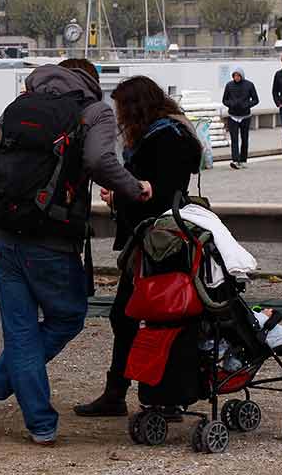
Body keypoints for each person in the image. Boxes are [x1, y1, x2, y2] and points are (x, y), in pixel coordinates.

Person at [0, 59, 153, 446]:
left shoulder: (17, 106)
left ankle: (39, 424)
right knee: (67, 317)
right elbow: (101, 161)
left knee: (20, 331)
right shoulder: (94, 111)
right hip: (50, 237)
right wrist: (135, 187)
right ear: (91, 81)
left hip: (3, 232)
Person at [74, 76, 203, 417]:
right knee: (139, 315)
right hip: (156, 238)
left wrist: (126, 192)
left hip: (158, 242)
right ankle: (144, 392)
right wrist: (123, 192)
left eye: (120, 107)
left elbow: (161, 190)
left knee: (138, 315)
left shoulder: (164, 137)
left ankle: (150, 394)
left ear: (135, 107)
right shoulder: (171, 132)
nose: (118, 116)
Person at [222, 67, 258, 169]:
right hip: (233, 116)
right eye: (234, 75)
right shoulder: (229, 85)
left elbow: (256, 100)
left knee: (244, 138)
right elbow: (224, 100)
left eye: (238, 75)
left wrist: (247, 105)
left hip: (245, 116)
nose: (236, 77)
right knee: (234, 139)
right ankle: (235, 160)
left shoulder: (249, 85)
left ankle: (243, 160)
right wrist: (231, 104)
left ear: (242, 75)